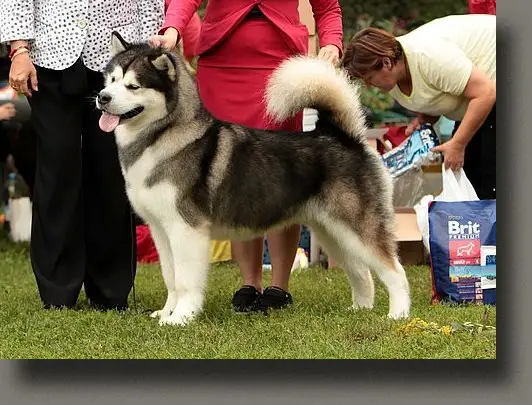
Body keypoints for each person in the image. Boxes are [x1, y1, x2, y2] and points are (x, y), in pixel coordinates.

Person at [152, 0, 343, 312]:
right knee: (234, 179)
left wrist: (332, 43)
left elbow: (329, 7)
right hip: (221, 66)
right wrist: (172, 27)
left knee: (281, 178)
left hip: (282, 68)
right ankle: (249, 281)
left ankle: (280, 285)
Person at [0, 0, 164, 310]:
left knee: (110, 173)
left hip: (118, 59)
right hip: (50, 56)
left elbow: (149, 3)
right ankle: (57, 290)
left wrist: (148, 57)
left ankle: (111, 291)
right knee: (58, 167)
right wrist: (19, 50)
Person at [342, 14, 496, 200]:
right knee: (466, 175)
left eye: (368, 79)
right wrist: (426, 117)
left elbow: (486, 92)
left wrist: (458, 144)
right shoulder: (392, 75)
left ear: (386, 63)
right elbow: (435, 90)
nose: (368, 85)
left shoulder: (430, 56)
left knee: (491, 175)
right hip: (480, 94)